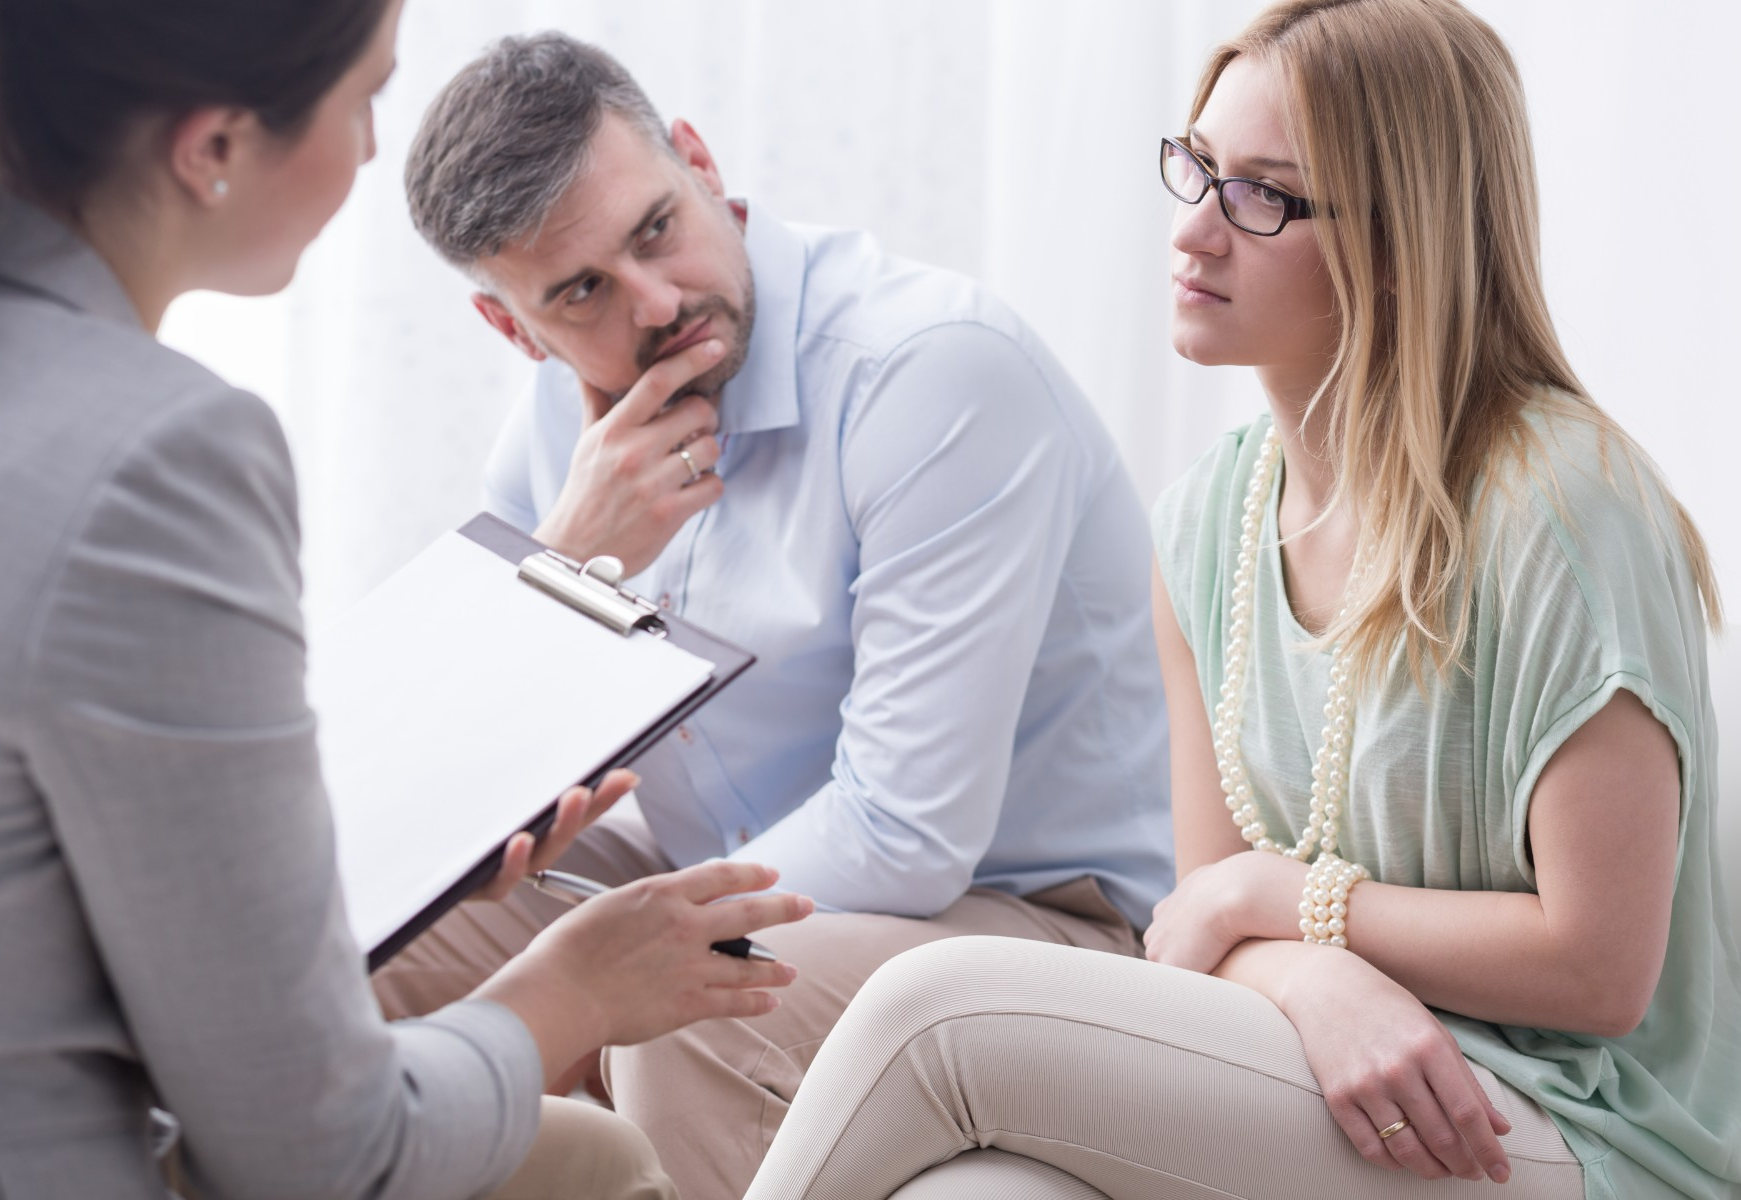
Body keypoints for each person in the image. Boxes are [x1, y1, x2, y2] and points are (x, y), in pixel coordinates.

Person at [742, 1, 1741, 1197]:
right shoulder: (1207, 519)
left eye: (1263, 194)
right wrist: (1313, 975)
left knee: (932, 1013)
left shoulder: (1566, 508)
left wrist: (1291, 905)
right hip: (1311, 1055)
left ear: (1399, 241)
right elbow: (1197, 929)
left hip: (1572, 1131)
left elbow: (1598, 969)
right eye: (1198, 169)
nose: (1193, 233)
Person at [0, 1, 811, 1197]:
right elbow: (317, 1150)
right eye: (364, 99)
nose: (366, 152)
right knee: (598, 1165)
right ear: (213, 150)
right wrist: (572, 988)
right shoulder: (155, 456)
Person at [373, 31, 1177, 1197]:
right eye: (584, 290)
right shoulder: (555, 434)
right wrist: (571, 558)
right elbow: (459, 782)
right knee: (364, 951)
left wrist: (607, 970)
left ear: (699, 163)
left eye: (656, 229)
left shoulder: (931, 374)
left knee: (691, 1000)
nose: (657, 303)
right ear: (514, 328)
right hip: (740, 865)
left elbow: (905, 835)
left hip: (1035, 913)